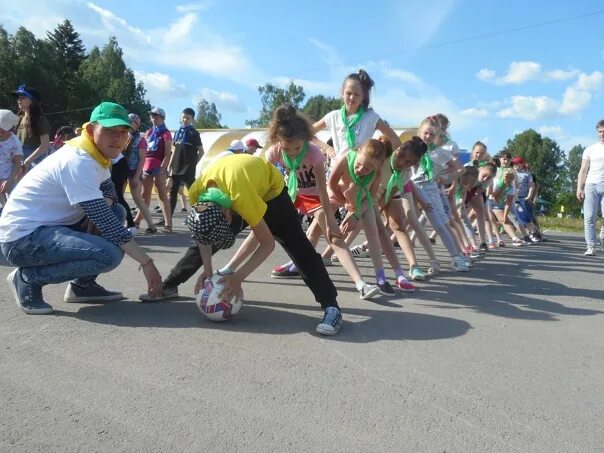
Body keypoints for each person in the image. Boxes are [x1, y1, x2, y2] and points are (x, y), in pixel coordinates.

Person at [144, 152, 345, 335]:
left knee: (299, 248)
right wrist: (208, 269)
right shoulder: (198, 193)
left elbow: (267, 244)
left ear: (228, 214)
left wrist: (238, 277)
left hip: (272, 193)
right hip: (236, 186)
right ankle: (169, 286)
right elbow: (202, 236)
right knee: (206, 232)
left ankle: (331, 307)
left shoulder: (241, 199)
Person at [0, 102, 162, 315]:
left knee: (117, 212)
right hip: (21, 240)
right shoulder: (79, 160)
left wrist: (101, 205)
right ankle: (27, 278)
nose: (117, 138)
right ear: (91, 129)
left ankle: (82, 286)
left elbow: (112, 196)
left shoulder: (97, 155)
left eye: (123, 132)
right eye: (109, 131)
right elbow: (108, 223)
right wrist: (147, 262)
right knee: (109, 254)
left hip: (49, 228)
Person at [262, 104, 380, 299]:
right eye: (287, 149)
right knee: (261, 230)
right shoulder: (273, 153)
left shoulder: (314, 153)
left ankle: (361, 284)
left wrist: (332, 220)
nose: (292, 153)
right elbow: (263, 182)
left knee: (335, 238)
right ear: (278, 141)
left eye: (297, 148)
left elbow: (322, 191)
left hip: (314, 196)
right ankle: (229, 270)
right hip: (289, 194)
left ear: (306, 140)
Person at [134, 107, 172, 232]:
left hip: (158, 166)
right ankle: (137, 222)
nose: (153, 118)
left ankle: (168, 224)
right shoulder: (149, 132)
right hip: (147, 166)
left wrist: (162, 169)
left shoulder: (166, 133)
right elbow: (144, 151)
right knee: (145, 195)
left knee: (161, 195)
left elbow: (167, 155)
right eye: (152, 116)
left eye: (156, 116)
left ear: (162, 117)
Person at [168, 107, 203, 216]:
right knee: (172, 193)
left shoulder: (194, 133)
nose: (185, 120)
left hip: (188, 169)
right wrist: (170, 165)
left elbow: (201, 151)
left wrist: (193, 164)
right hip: (176, 168)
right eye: (183, 117)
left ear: (192, 119)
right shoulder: (178, 132)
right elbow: (174, 150)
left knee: (193, 193)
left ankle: (200, 217)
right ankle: (167, 219)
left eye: (188, 118)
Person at [577, 119, 604, 256]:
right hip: (590, 185)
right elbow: (583, 170)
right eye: (600, 131)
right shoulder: (590, 149)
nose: (602, 134)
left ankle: (602, 236)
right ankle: (591, 246)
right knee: (589, 217)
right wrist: (579, 188)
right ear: (597, 132)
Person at [11, 84, 51, 168]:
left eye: (23, 97)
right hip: (21, 162)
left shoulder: (39, 119)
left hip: (36, 164)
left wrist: (28, 161)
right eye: (18, 97)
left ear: (32, 100)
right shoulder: (19, 118)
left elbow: (45, 145)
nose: (19, 100)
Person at [0, 110, 24, 207]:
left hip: (8, 176)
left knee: (13, 199)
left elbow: (17, 163)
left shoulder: (14, 142)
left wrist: (9, 180)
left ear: (10, 129)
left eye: (2, 131)